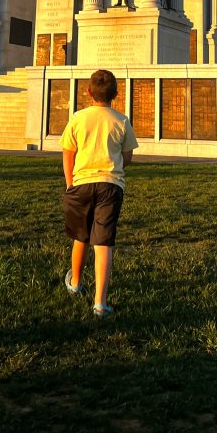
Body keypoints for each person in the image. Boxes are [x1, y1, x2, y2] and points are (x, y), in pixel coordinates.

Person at [60, 69, 138, 318]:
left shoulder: (78, 118)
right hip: (110, 185)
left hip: (80, 184)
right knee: (103, 242)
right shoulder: (121, 120)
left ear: (88, 92)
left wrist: (70, 181)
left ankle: (75, 283)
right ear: (115, 94)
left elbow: (67, 153)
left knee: (80, 237)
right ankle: (100, 303)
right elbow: (127, 157)